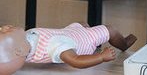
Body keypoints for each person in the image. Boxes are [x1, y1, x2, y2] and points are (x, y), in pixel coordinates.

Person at [0, 22, 136, 74]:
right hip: (84, 41)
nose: (5, 27)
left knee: (82, 22)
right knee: (109, 29)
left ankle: (83, 26)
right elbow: (76, 60)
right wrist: (101, 57)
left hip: (69, 32)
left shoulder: (26, 40)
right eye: (4, 32)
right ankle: (124, 43)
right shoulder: (54, 47)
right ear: (19, 50)